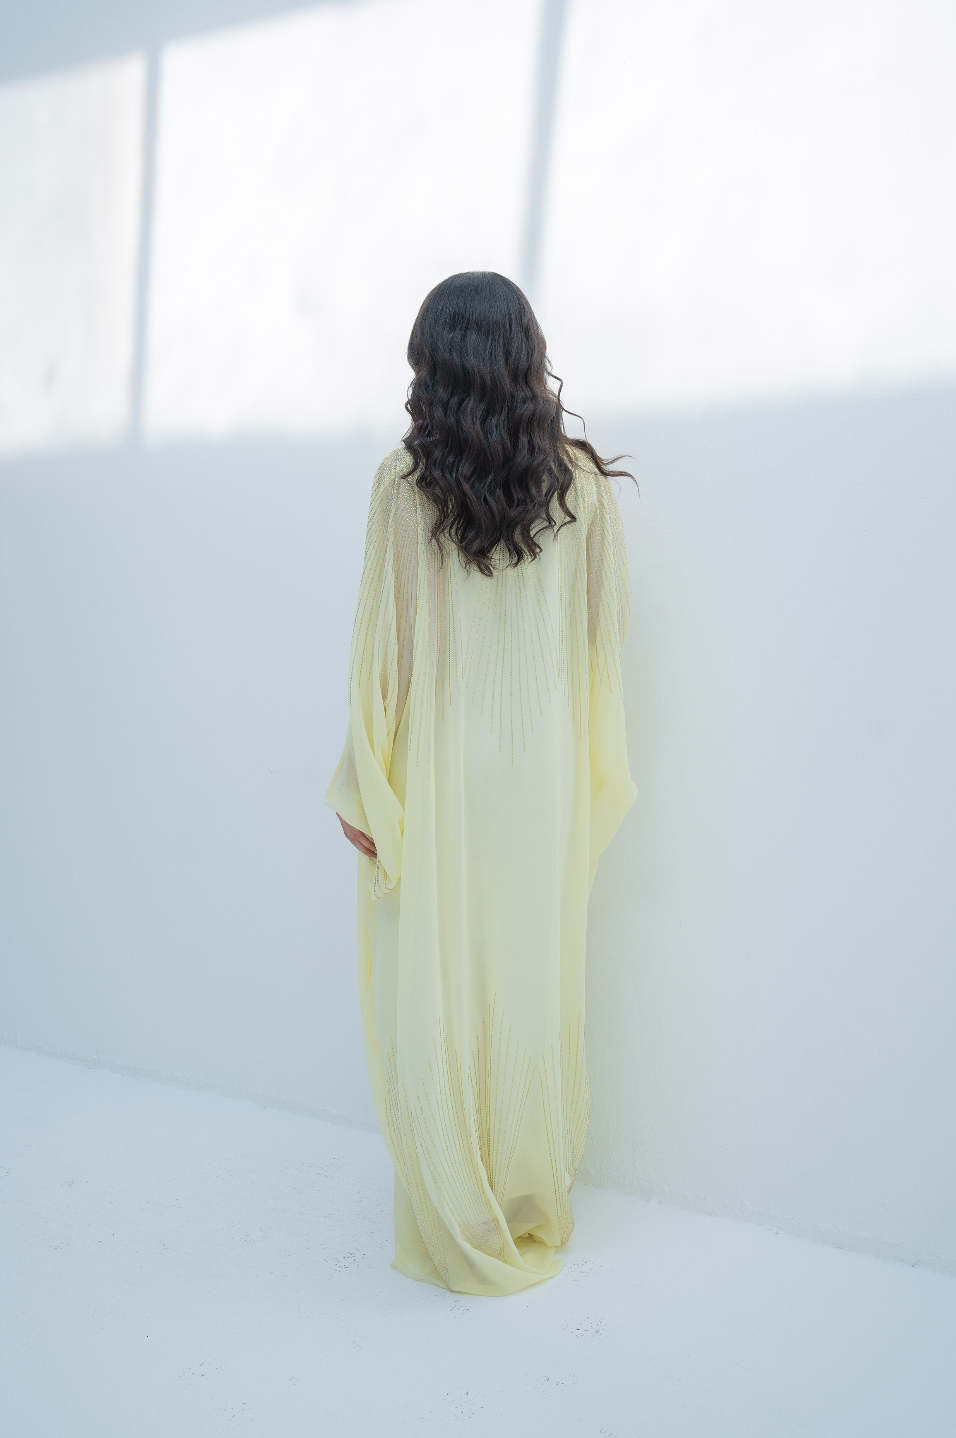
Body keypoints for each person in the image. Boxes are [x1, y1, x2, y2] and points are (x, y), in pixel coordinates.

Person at [324, 271, 636, 1295]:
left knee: (438, 983)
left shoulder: (403, 484)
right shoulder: (583, 488)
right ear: (525, 357)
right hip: (543, 768)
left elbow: (387, 649)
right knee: (531, 977)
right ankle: (526, 1190)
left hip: (443, 766)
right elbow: (598, 644)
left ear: (434, 366)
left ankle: (456, 1196)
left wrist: (366, 783)